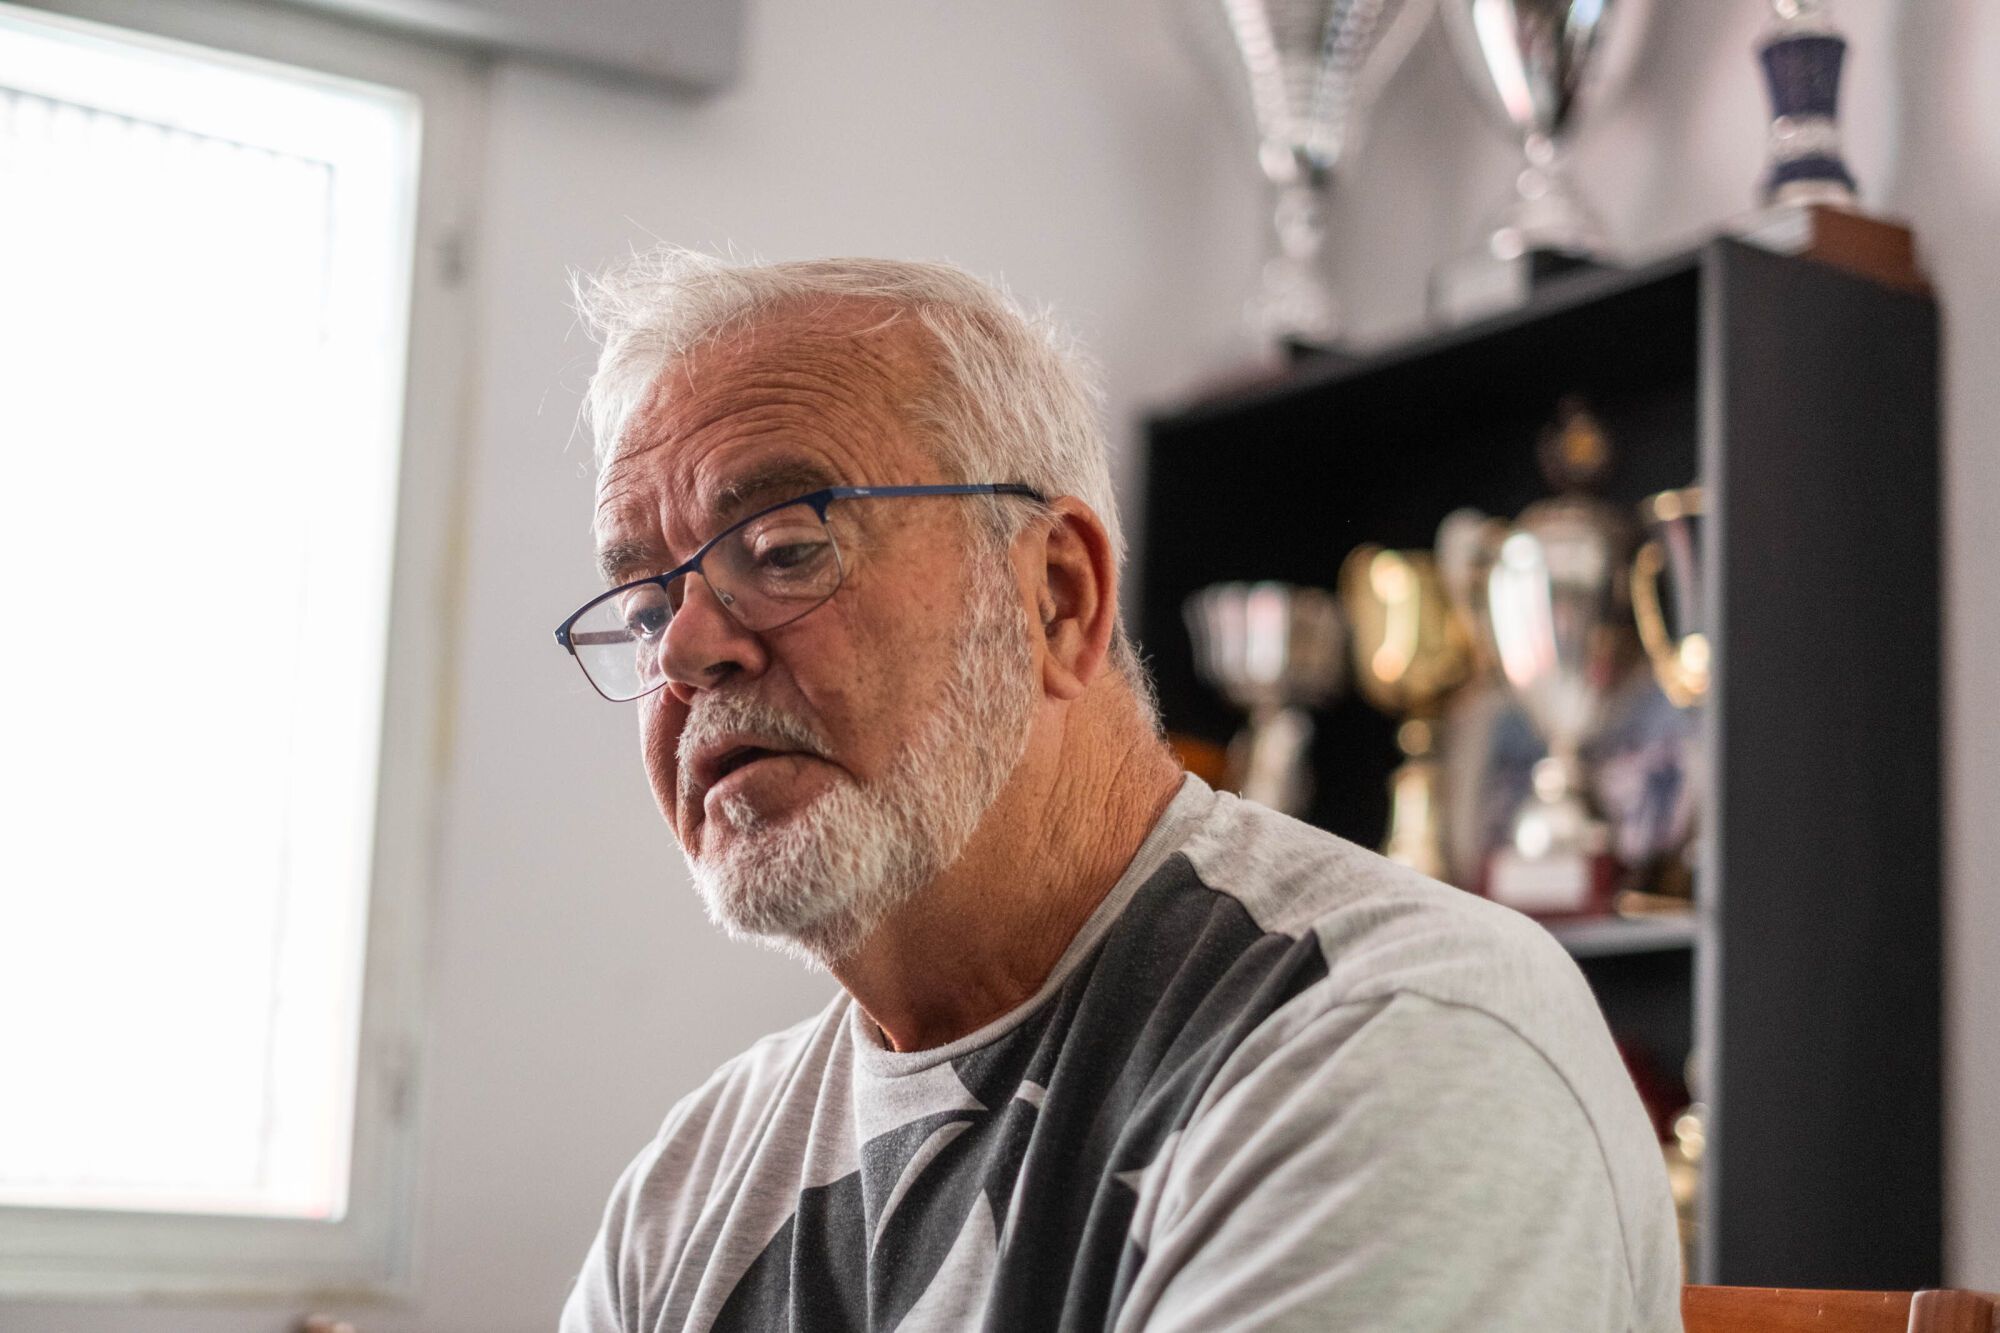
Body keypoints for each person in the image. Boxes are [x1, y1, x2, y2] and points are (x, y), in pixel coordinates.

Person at [553, 251, 1683, 1332]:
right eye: (646, 610)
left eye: (786, 546)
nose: (689, 648)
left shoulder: (1395, 1044)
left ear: (1054, 596)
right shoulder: (691, 1185)